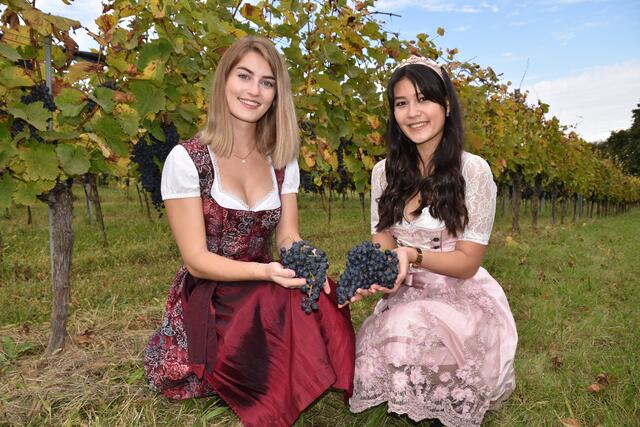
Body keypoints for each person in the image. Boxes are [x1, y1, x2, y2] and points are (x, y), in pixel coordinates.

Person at [143, 36, 355, 427]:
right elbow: (196, 261)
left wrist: (306, 263)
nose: (254, 90)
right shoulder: (188, 160)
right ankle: (264, 388)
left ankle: (289, 379)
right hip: (213, 290)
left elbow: (287, 236)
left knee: (322, 296)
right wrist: (266, 272)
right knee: (275, 302)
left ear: (276, 94)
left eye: (267, 82)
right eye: (244, 76)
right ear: (224, 80)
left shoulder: (280, 158)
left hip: (262, 279)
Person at [347, 55, 518, 426]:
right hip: (405, 290)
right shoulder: (383, 172)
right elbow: (382, 242)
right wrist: (376, 273)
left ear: (445, 105)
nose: (413, 112)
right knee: (386, 338)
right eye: (401, 103)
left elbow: (468, 261)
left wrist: (414, 255)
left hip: (458, 292)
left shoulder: (472, 170)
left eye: (423, 99)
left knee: (410, 328)